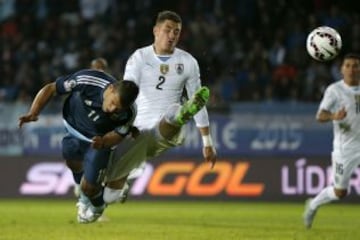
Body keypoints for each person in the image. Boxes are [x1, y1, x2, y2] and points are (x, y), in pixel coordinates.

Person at [102, 10, 217, 205]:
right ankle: (122, 183)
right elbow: (127, 94)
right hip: (138, 131)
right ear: (156, 30)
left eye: (177, 32)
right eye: (168, 30)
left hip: (167, 130)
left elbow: (199, 104)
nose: (172, 35)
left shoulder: (188, 62)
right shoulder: (139, 57)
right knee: (109, 196)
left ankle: (180, 114)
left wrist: (207, 142)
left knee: (174, 111)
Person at [18, 67, 139, 224]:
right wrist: (33, 113)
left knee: (90, 188)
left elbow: (118, 135)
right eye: (113, 103)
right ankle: (83, 195)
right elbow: (52, 88)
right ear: (110, 89)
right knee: (73, 163)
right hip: (73, 129)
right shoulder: (89, 80)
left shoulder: (129, 112)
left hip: (99, 142)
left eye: (118, 108)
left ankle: (97, 208)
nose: (112, 109)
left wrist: (104, 142)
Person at [303, 53, 360, 229]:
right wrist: (335, 115)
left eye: (356, 65)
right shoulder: (334, 90)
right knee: (339, 192)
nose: (352, 69)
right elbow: (320, 115)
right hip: (345, 148)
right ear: (342, 69)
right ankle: (312, 206)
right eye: (348, 65)